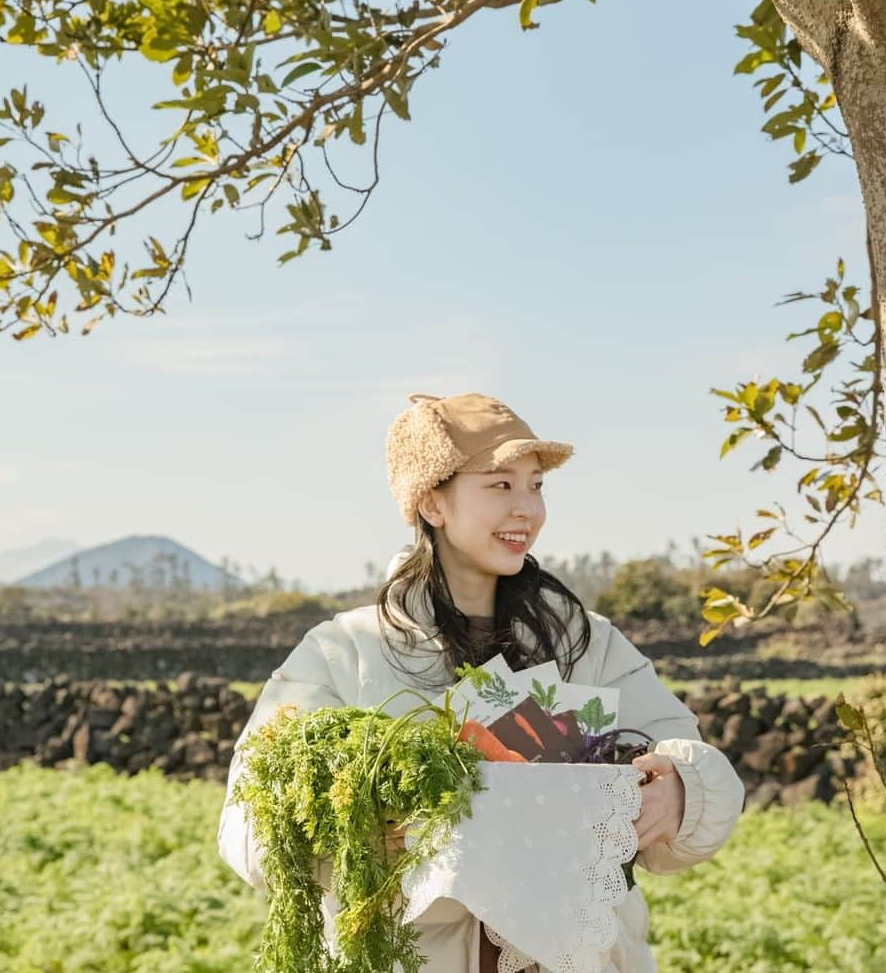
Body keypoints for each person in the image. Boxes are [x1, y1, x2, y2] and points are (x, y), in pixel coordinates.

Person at [218, 391, 746, 972]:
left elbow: (691, 755)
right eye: (500, 485)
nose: (528, 509)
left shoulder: (584, 644)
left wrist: (682, 788)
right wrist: (363, 834)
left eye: (536, 486)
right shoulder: (344, 653)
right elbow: (249, 823)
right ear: (432, 504)